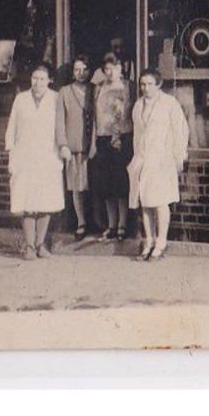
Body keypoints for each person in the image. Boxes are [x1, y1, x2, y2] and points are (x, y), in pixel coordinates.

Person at [128, 69, 190, 262]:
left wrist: (178, 157)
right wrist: (137, 157)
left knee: (161, 202)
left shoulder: (169, 104)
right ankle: (148, 241)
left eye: (149, 84)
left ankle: (161, 243)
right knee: (145, 203)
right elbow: (137, 135)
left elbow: (180, 131)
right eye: (143, 84)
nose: (145, 88)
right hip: (144, 159)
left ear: (159, 85)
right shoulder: (138, 105)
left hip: (162, 159)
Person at [4, 65, 64, 260]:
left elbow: (61, 127)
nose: (37, 83)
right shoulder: (21, 99)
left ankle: (40, 244)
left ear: (49, 81)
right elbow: (12, 127)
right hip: (25, 156)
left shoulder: (55, 99)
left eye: (41, 79)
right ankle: (29, 245)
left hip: (48, 156)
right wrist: (12, 153)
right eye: (34, 79)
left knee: (46, 201)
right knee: (27, 201)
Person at [89, 52, 134, 241]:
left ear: (121, 67)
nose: (110, 73)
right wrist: (93, 142)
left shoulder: (127, 87)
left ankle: (123, 225)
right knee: (106, 186)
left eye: (114, 68)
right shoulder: (99, 88)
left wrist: (119, 133)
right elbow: (95, 117)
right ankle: (111, 225)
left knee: (120, 184)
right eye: (107, 69)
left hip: (121, 139)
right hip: (103, 139)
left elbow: (129, 114)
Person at [55, 56, 93, 240]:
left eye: (85, 69)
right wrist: (63, 144)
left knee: (91, 184)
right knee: (77, 186)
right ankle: (81, 222)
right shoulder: (64, 92)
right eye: (77, 69)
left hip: (92, 147)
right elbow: (59, 121)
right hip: (74, 146)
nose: (81, 73)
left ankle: (98, 221)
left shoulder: (95, 90)